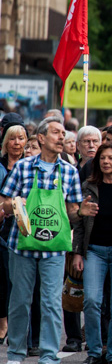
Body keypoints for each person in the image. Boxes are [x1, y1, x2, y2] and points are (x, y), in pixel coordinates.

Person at [1, 117, 83, 364]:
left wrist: (83, 211)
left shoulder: (69, 171)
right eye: (56, 133)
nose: (62, 137)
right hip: (22, 246)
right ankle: (15, 355)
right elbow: (3, 203)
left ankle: (49, 358)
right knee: (19, 302)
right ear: (42, 138)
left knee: (51, 303)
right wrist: (15, 204)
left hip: (54, 249)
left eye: (63, 133)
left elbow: (73, 211)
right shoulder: (23, 167)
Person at [71, 142, 112, 364]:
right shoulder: (88, 186)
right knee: (91, 301)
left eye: (111, 158)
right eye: (102, 158)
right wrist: (78, 252)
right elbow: (78, 223)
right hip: (94, 251)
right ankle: (95, 352)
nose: (106, 162)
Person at [0, 122, 26, 346]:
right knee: (2, 279)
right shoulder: (0, 165)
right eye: (12, 138)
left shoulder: (29, 166)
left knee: (15, 280)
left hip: (22, 230)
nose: (16, 143)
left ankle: (16, 327)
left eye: (21, 138)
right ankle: (3, 322)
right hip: (2, 226)